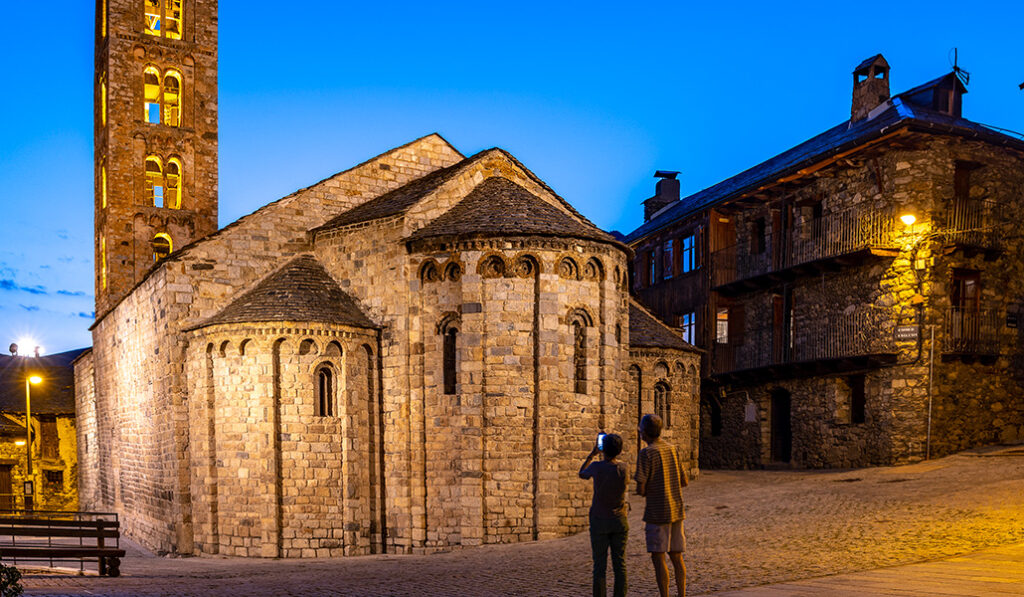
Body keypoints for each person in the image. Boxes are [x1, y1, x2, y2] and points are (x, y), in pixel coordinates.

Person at [635, 414, 688, 597]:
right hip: (677, 509)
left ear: (645, 432)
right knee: (676, 556)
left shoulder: (646, 453)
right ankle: (682, 594)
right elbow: (684, 480)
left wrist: (650, 486)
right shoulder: (672, 449)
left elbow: (641, 488)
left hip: (657, 513)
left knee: (658, 557)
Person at [579, 432, 628, 597]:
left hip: (599, 519)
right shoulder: (623, 468)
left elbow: (582, 473)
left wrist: (592, 455)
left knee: (599, 566)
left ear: (603, 449)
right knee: (619, 564)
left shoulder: (597, 467)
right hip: (619, 519)